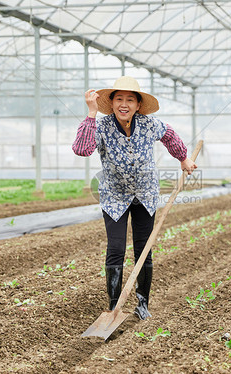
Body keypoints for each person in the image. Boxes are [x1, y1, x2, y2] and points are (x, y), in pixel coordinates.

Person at [72, 76, 197, 320]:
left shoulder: (149, 124)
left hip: (146, 194)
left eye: (130, 99)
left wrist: (183, 158)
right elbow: (82, 149)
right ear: (112, 102)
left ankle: (142, 303)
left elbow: (169, 135)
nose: (124, 104)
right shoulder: (102, 126)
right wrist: (91, 113)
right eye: (119, 99)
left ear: (138, 105)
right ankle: (112, 306)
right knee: (116, 249)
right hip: (114, 196)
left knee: (144, 249)